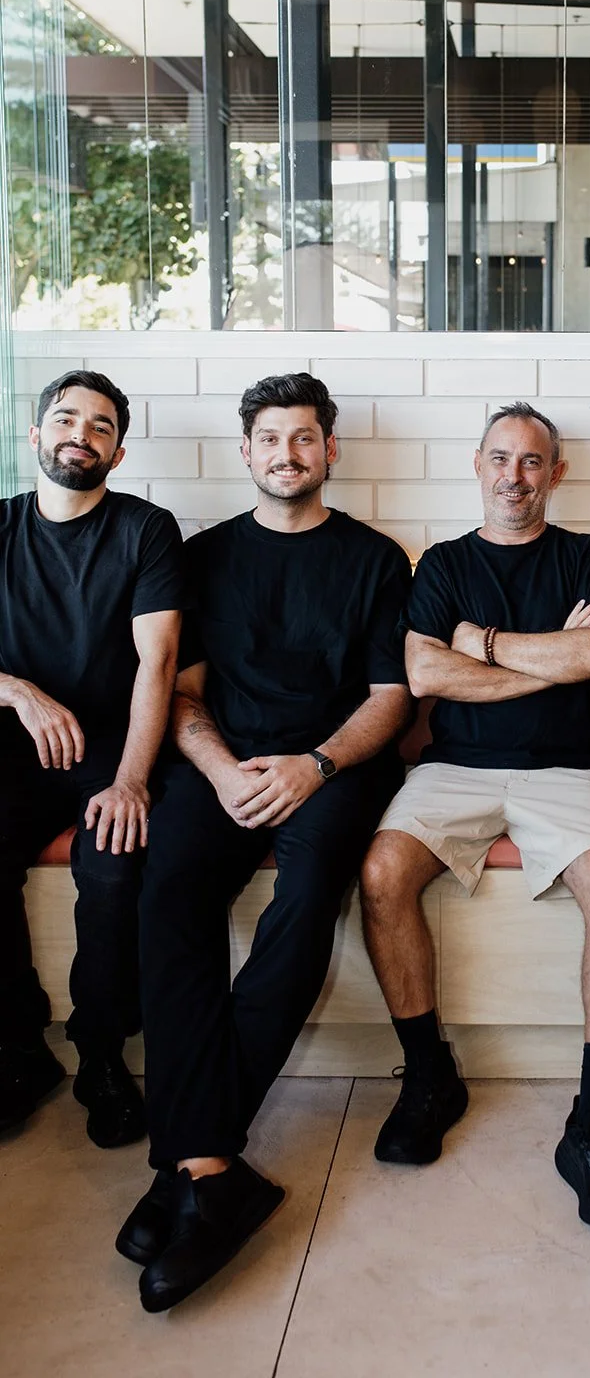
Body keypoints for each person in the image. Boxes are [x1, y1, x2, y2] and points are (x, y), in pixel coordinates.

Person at [118, 373, 412, 1311]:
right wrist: (219, 768)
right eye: (270, 439)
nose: (287, 454)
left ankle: (188, 1158)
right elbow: (185, 695)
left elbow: (389, 701)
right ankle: (212, 1169)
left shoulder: (376, 559)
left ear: (330, 451)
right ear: (245, 453)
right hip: (221, 766)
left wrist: (313, 768)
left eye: (304, 439)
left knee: (304, 901)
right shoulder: (202, 558)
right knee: (168, 899)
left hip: (336, 766)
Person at [359, 401, 590, 1229]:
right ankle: (427, 1078)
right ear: (476, 464)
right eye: (500, 459)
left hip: (574, 770)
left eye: (531, 462)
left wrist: (478, 645)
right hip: (454, 768)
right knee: (380, 873)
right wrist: (546, 659)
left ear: (555, 473)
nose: (514, 477)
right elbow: (423, 677)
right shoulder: (442, 563)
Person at [0, 370, 182, 1147]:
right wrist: (17, 691)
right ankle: (17, 1046)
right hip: (13, 741)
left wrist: (132, 781)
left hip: (112, 742)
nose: (82, 433)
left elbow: (160, 662)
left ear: (118, 450)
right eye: (66, 419)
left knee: (111, 863)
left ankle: (102, 1054)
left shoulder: (145, 529)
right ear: (35, 435)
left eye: (100, 426)